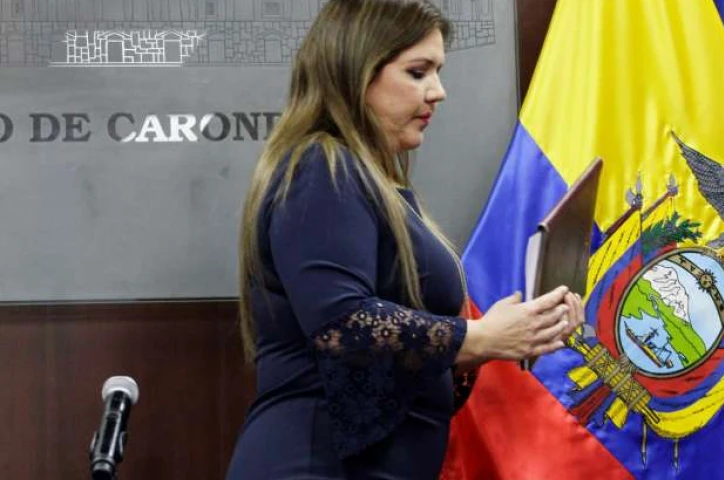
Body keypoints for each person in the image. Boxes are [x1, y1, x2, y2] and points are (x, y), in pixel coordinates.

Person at [226, 1, 584, 478]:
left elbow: (396, 374)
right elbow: (343, 325)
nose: (438, 92)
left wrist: (515, 334)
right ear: (357, 71)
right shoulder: (323, 166)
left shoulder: (371, 181)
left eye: (437, 71)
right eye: (418, 72)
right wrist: (477, 337)